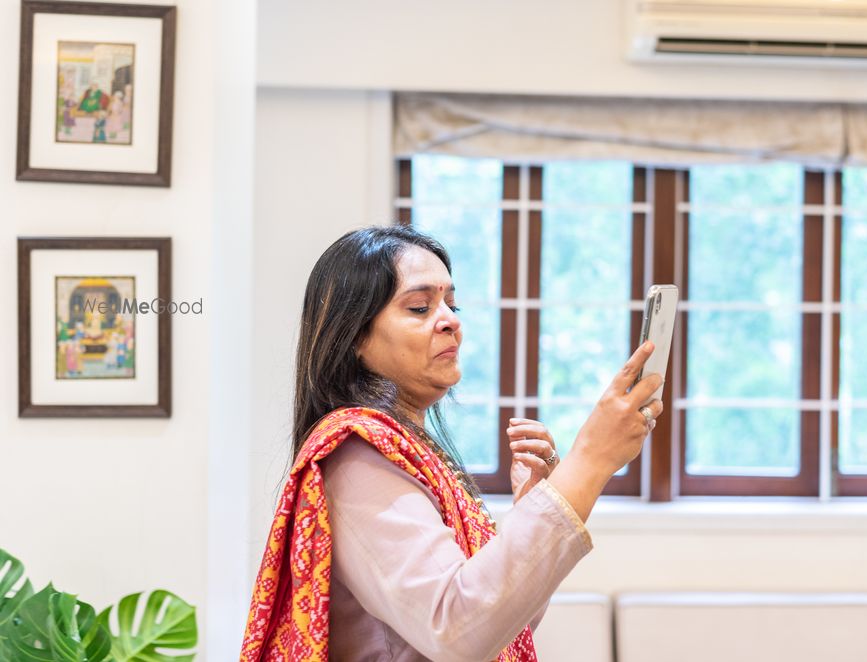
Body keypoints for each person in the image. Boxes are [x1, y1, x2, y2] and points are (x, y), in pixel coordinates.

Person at [241, 225, 663, 662]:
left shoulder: (408, 448)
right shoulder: (355, 453)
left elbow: (499, 625)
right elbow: (457, 629)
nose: (451, 320)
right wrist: (590, 460)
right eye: (421, 307)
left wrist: (533, 505)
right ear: (355, 338)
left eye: (452, 304)